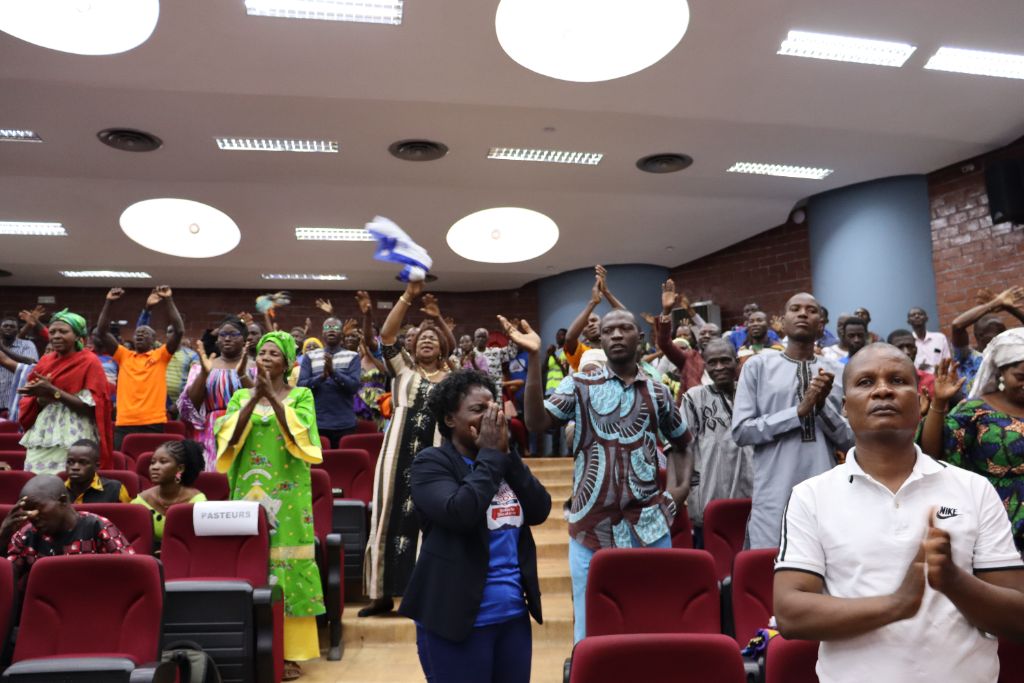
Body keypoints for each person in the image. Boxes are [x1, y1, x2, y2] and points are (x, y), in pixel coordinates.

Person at [774, 343, 1024, 683]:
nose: (882, 390)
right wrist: (897, 604)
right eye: (865, 382)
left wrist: (955, 582)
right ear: (845, 408)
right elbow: (790, 615)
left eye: (897, 380)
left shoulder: (973, 489)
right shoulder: (811, 496)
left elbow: (1018, 618)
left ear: (920, 402)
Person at [506, 309, 693, 643]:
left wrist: (676, 494)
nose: (617, 335)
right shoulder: (578, 384)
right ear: (601, 339)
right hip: (590, 530)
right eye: (609, 331)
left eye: (625, 328)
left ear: (640, 338)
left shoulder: (658, 391)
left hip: (649, 526)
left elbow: (682, 443)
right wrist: (534, 359)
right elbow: (536, 423)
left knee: (656, 620)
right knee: (591, 629)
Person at [400, 370, 551, 683]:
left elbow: (539, 509)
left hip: (512, 617)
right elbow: (461, 512)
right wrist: (492, 458)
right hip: (456, 621)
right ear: (450, 419)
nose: (491, 415)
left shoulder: (502, 461)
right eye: (478, 410)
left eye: (493, 407)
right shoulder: (431, 463)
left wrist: (508, 457)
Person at [215, 331, 324, 677]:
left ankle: (289, 652)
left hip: (289, 495)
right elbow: (228, 437)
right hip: (247, 489)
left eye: (274, 354)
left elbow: (302, 436)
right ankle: (245, 643)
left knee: (288, 568)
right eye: (262, 352)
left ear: (288, 362)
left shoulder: (302, 395)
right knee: (249, 562)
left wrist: (272, 400)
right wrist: (253, 398)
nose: (265, 358)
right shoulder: (240, 397)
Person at [732, 293, 854, 549]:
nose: (802, 314)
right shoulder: (757, 367)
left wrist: (821, 409)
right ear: (783, 323)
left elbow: (851, 441)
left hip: (826, 491)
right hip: (773, 493)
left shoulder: (839, 372)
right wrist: (798, 412)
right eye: (795, 309)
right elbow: (742, 432)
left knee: (825, 570)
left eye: (811, 310)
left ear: (821, 324)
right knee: (769, 571)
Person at [362, 281, 451, 617]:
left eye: (434, 338)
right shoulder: (402, 369)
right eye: (420, 338)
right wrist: (408, 297)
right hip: (395, 453)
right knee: (386, 516)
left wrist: (437, 320)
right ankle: (380, 594)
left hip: (437, 455)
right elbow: (386, 335)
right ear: (412, 347)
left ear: (444, 347)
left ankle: (426, 594)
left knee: (430, 521)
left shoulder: (452, 377)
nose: (426, 340)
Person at [920, 328, 1024, 552]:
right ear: (1000, 373)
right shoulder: (975, 411)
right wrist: (938, 403)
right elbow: (933, 452)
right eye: (1021, 377)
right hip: (1004, 522)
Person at [17, 309, 114, 473]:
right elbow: (34, 399)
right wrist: (39, 398)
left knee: (69, 483)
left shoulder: (90, 361)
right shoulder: (45, 360)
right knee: (36, 480)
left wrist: (53, 391)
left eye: (63, 331)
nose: (55, 336)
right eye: (53, 331)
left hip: (75, 432)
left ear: (77, 335)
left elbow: (92, 408)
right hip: (44, 431)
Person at [1, 475, 134, 589]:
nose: (31, 515)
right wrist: (3, 535)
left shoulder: (97, 527)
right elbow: (5, 582)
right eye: (27, 510)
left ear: (63, 501)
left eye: (37, 507)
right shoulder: (26, 535)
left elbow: (132, 572)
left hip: (95, 604)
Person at [682, 339, 754, 547]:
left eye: (725, 360)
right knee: (714, 562)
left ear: (736, 362)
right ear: (704, 365)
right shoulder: (694, 398)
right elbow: (682, 448)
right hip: (709, 494)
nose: (719, 367)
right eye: (712, 362)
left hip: (754, 494)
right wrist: (688, 488)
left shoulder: (753, 394)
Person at [96, 286, 184, 449]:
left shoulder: (161, 356)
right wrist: (109, 302)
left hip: (153, 422)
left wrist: (168, 299)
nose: (140, 334)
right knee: (122, 466)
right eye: (137, 333)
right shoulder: (124, 355)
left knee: (151, 467)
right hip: (124, 423)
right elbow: (101, 332)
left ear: (154, 340)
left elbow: (178, 331)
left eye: (145, 333)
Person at [178, 316, 254, 469]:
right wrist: (204, 374)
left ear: (245, 340)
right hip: (210, 432)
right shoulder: (202, 367)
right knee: (213, 477)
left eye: (233, 334)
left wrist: (242, 374)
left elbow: (261, 403)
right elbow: (190, 406)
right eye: (223, 335)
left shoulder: (255, 367)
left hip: (246, 429)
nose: (227, 338)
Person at [948, 287, 1024, 398]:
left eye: (1003, 331)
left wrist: (1009, 308)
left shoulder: (1008, 356)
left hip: (1005, 411)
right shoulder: (966, 357)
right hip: (972, 412)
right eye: (997, 332)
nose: (1003, 335)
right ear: (979, 335)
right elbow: (957, 326)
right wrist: (995, 303)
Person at [297, 316, 361, 447]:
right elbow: (301, 386)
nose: (331, 330)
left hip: (344, 424)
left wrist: (334, 373)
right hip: (317, 422)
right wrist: (321, 378)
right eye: (327, 327)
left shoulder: (353, 356)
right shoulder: (310, 356)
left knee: (342, 464)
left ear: (342, 333)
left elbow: (354, 386)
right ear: (322, 333)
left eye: (335, 327)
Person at [132, 439, 207, 546]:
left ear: (180, 468)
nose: (155, 467)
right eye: (152, 462)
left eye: (163, 462)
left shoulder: (197, 502)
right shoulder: (140, 502)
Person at [563, 265, 623, 372]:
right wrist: (593, 303)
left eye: (594, 320)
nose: (590, 324)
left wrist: (606, 292)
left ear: (603, 324)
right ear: (583, 333)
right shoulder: (582, 352)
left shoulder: (616, 346)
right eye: (585, 324)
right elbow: (569, 338)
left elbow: (626, 317)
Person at [64, 439, 130, 503]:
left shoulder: (115, 489)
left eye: (83, 462)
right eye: (70, 462)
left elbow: (129, 513)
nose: (75, 467)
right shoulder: (57, 491)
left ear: (97, 466)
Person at [887, 329, 936, 409]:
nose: (906, 352)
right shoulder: (882, 383)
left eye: (910, 346)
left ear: (916, 349)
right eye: (900, 347)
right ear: (888, 352)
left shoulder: (930, 380)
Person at [0, 315, 39, 414]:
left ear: (18, 330)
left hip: (16, 401)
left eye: (12, 326)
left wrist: (3, 349)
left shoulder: (27, 344)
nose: (8, 328)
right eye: (5, 326)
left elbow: (32, 364)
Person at [907, 306, 951, 373]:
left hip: (939, 380)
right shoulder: (908, 341)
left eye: (920, 314)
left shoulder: (940, 338)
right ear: (908, 321)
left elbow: (948, 361)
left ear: (926, 318)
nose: (917, 316)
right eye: (913, 315)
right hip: (918, 380)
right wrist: (918, 369)